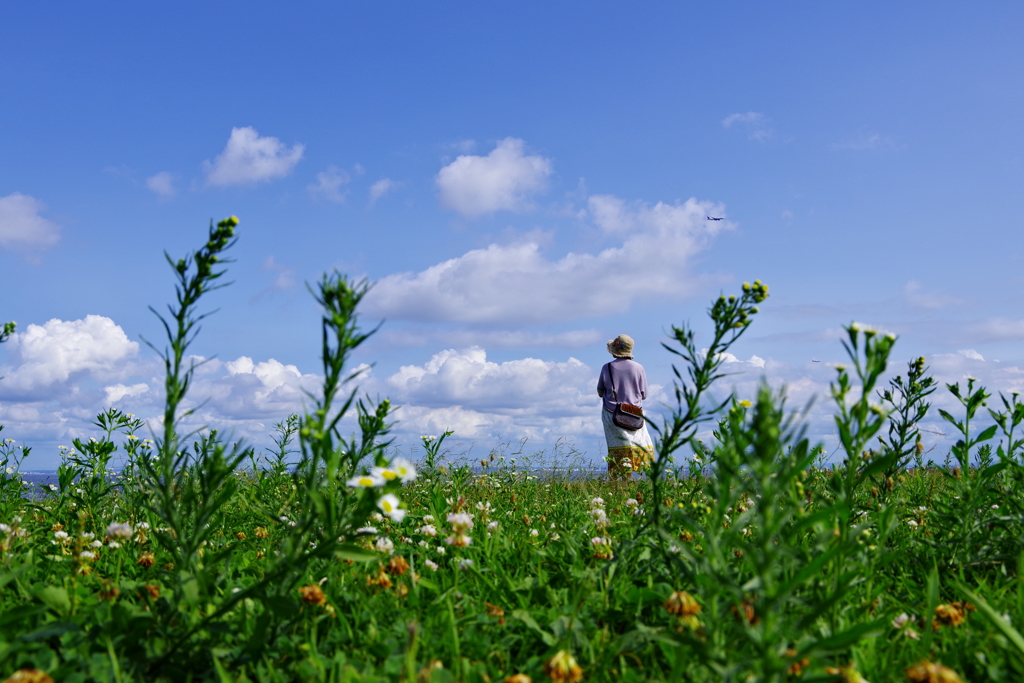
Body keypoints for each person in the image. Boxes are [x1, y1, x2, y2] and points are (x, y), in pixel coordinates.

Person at [597, 334, 654, 479]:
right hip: (634, 414)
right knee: (633, 448)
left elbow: (600, 392)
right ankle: (628, 482)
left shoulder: (607, 367)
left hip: (612, 413)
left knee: (616, 448)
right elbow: (644, 394)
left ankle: (616, 483)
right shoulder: (639, 368)